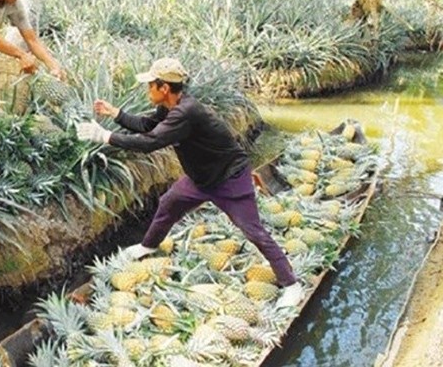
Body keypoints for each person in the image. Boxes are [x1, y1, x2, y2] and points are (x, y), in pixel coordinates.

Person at [75, 57, 303, 307]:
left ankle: (292, 285)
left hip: (230, 178)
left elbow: (151, 142)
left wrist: (104, 136)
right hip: (200, 179)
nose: (147, 89)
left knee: (253, 231)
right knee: (168, 203)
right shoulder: (170, 108)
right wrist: (115, 113)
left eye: (150, 84)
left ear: (163, 88)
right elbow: (147, 125)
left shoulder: (186, 112)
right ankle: (147, 246)